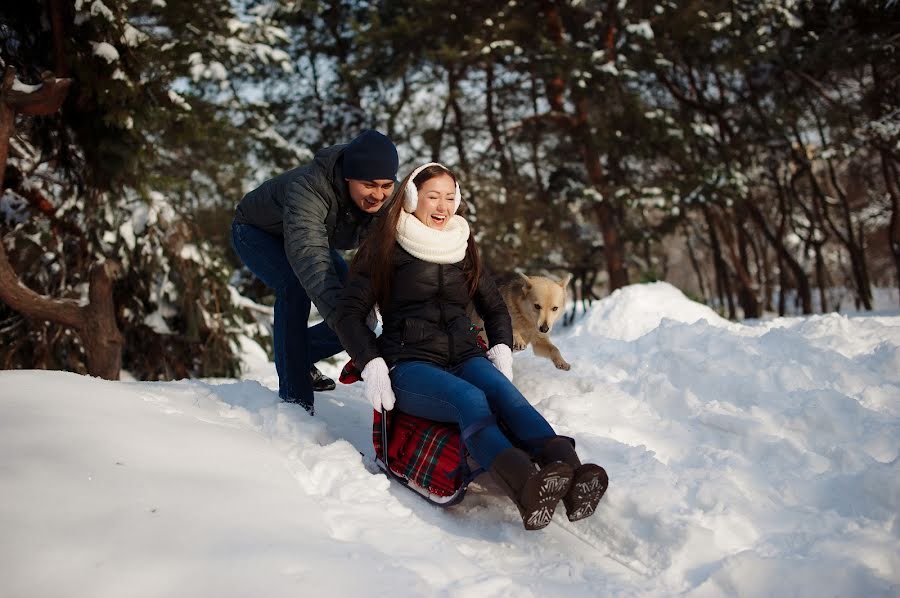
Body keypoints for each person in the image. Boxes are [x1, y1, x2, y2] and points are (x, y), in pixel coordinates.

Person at [335, 163, 607, 530]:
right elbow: (349, 314)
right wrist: (372, 365)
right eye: (433, 196)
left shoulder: (460, 245)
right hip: (410, 362)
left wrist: (501, 350)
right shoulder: (383, 246)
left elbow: (494, 305)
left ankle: (574, 478)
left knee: (507, 396)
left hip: (464, 354)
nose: (443, 206)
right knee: (470, 400)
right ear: (412, 198)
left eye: (450, 197)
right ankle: (526, 487)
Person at [231, 130, 399, 414]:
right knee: (294, 288)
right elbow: (312, 266)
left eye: (386, 185)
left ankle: (295, 356)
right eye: (369, 185)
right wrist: (354, 338)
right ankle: (296, 403)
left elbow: (389, 260)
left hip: (309, 237)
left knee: (360, 314)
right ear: (348, 177)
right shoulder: (308, 189)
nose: (378, 195)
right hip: (256, 233)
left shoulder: (385, 204)